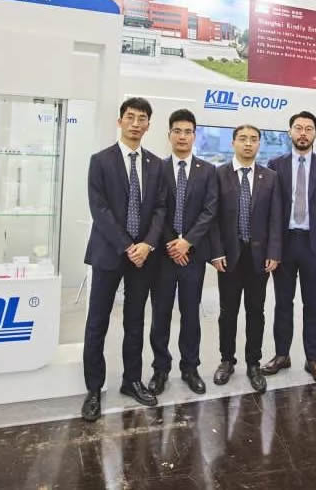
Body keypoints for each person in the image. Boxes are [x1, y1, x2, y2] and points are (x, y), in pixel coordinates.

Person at [81, 97, 167, 422]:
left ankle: (132, 380)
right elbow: (99, 209)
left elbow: (160, 209)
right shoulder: (100, 161)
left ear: (148, 125)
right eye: (130, 117)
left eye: (142, 118)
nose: (135, 123)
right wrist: (127, 245)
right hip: (109, 253)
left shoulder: (156, 165)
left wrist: (146, 245)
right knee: (97, 322)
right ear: (120, 121)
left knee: (135, 321)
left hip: (143, 257)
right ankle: (93, 389)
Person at [263, 111, 316, 388]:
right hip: (284, 244)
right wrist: (271, 248)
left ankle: (313, 359)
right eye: (298, 128)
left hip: (314, 245)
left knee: (312, 304)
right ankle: (282, 355)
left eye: (308, 128)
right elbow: (270, 210)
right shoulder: (275, 165)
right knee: (283, 303)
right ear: (290, 132)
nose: (303, 133)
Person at [148, 109, 218, 396]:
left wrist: (187, 242)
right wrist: (172, 243)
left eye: (188, 132)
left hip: (193, 257)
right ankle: (160, 369)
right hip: (163, 257)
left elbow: (209, 211)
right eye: (177, 131)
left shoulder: (208, 170)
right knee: (160, 314)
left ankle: (190, 367)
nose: (182, 136)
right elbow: (155, 210)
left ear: (194, 136)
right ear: (169, 135)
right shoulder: (157, 168)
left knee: (191, 314)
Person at [209, 124, 283, 393]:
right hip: (228, 257)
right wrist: (215, 252)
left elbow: (275, 218)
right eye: (243, 139)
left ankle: (254, 363)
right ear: (233, 143)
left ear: (259, 144)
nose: (248, 143)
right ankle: (227, 360)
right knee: (227, 312)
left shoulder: (270, 177)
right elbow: (212, 218)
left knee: (256, 311)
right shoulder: (218, 174)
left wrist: (274, 252)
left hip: (258, 258)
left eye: (253, 139)